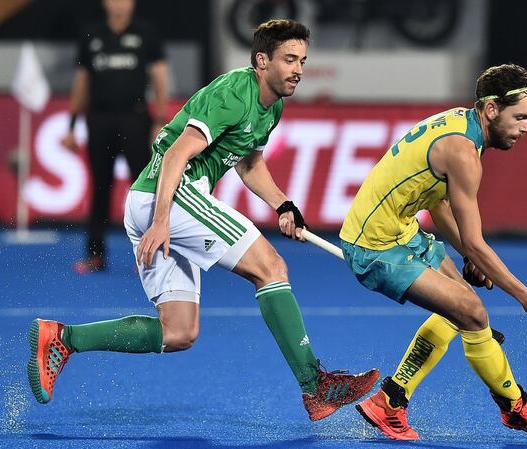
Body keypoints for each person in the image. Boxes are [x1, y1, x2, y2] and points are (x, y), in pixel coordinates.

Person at [28, 19, 379, 421]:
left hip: (151, 202)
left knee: (179, 332)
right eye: (289, 59)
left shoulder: (273, 106)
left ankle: (62, 338)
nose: (298, 68)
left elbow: (248, 161)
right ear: (262, 61)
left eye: (302, 59)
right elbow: (177, 155)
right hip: (171, 195)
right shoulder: (233, 93)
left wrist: (283, 204)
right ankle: (315, 386)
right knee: (271, 268)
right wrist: (162, 221)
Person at [340, 64, 527, 440]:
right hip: (376, 247)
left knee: (459, 305)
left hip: (401, 230)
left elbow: (441, 206)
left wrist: (468, 256)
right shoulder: (463, 153)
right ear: (492, 110)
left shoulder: (460, 123)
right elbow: (477, 242)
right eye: (521, 118)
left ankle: (390, 400)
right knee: (472, 311)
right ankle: (516, 407)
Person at [63, 0, 169, 273]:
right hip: (99, 119)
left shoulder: (146, 32)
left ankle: (148, 254)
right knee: (100, 187)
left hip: (135, 119)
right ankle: (95, 255)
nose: (119, 5)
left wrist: (160, 118)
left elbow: (159, 75)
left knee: (144, 188)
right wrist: (72, 124)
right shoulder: (92, 34)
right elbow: (82, 79)